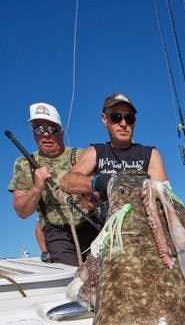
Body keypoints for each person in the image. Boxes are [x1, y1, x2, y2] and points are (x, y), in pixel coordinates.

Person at [8, 102, 99, 266]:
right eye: (38, 129)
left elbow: (99, 191)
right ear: (33, 132)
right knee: (71, 277)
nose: (46, 135)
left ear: (61, 132)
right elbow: (21, 212)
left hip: (90, 223)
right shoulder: (24, 164)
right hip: (57, 233)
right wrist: (37, 187)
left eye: (52, 129)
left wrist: (92, 200)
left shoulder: (80, 156)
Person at [60, 93, 168, 200]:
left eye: (129, 118)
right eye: (116, 117)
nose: (123, 123)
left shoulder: (150, 153)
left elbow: (163, 194)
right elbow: (66, 181)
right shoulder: (96, 151)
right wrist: (99, 182)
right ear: (105, 119)